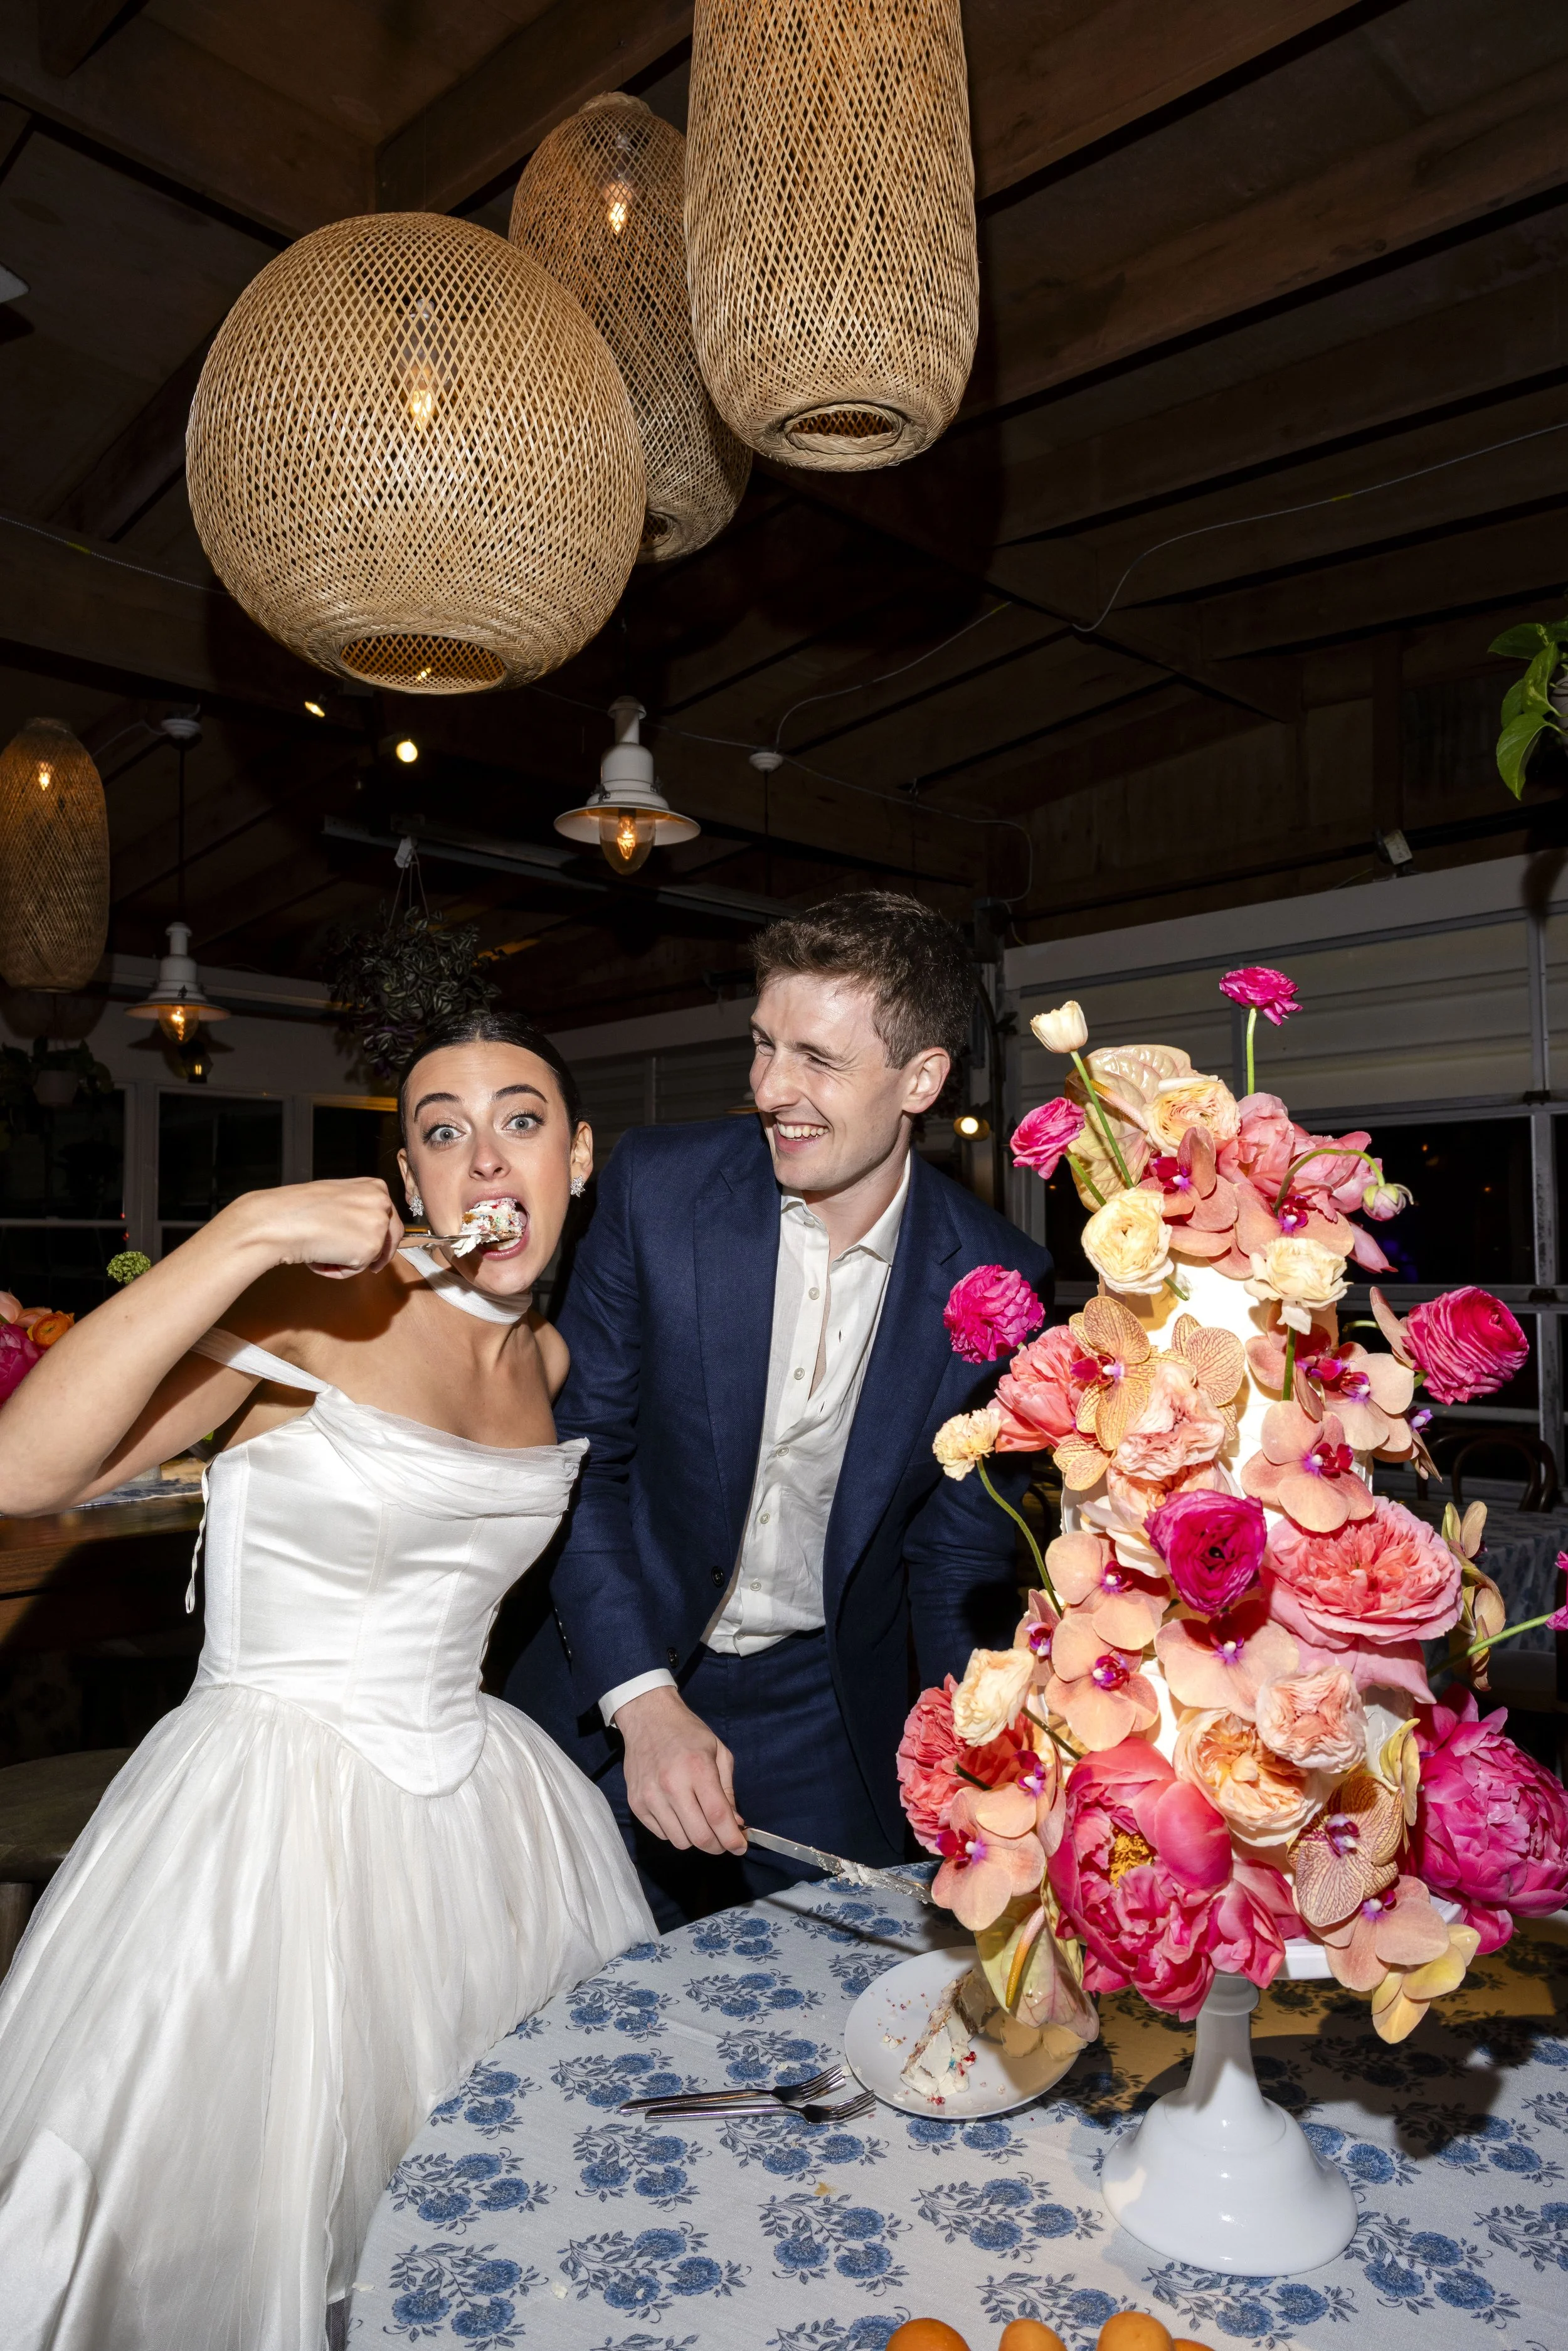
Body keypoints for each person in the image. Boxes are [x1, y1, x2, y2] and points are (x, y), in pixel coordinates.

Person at [0, 1011, 653, 2351]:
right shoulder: (313, 1312)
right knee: (209, 2221)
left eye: (520, 1120)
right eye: (443, 1130)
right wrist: (243, 1231)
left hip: (483, 1819)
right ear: (409, 1179)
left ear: (576, 1158)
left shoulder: (549, 1362)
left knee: (476, 2211)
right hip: (263, 1816)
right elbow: (23, 1475)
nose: (485, 1160)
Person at [506, 892, 1052, 1925]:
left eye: (818, 1060)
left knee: (828, 2019)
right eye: (763, 1047)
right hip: (612, 1669)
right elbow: (584, 1463)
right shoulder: (658, 1190)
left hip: (828, 1715)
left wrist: (982, 1769)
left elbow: (953, 1564)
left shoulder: (998, 1281)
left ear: (922, 1079)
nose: (769, 1090)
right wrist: (642, 1700)